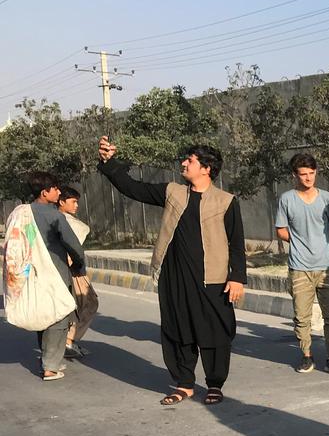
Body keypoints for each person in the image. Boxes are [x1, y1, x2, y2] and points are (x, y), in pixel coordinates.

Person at [97, 136, 246, 406]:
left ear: (206, 168)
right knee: (178, 330)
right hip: (174, 277)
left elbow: (236, 243)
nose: (183, 163)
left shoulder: (225, 201)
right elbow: (133, 188)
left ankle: (214, 384)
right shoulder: (173, 193)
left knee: (216, 331)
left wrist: (237, 278)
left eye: (190, 160)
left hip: (212, 279)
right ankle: (184, 383)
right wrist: (110, 163)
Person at [275, 153, 329, 375]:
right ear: (294, 175)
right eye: (303, 174)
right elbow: (281, 229)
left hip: (326, 266)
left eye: (311, 173)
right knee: (301, 316)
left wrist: (320, 242)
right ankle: (307, 355)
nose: (308, 178)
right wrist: (298, 242)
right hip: (299, 268)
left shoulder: (327, 199)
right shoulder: (287, 199)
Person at [24, 172, 87, 381]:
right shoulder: (55, 216)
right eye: (55, 189)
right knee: (59, 317)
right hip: (56, 272)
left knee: (43, 314)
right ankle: (50, 366)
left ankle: (47, 357)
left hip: (32, 273)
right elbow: (73, 245)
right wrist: (79, 265)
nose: (59, 192)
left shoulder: (22, 213)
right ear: (45, 192)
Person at [57, 186, 99, 360]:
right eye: (73, 202)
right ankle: (68, 340)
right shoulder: (69, 223)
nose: (76, 206)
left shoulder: (50, 219)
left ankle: (64, 342)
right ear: (61, 202)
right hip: (74, 272)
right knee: (89, 304)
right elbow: (71, 253)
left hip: (61, 271)